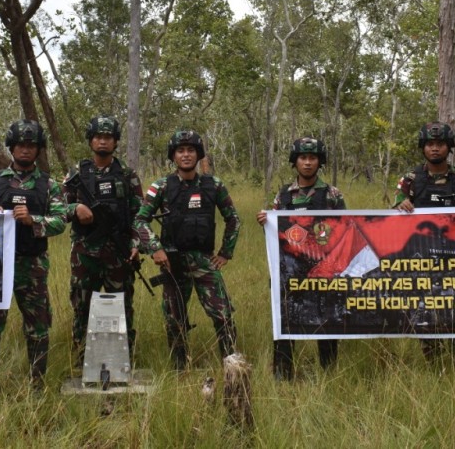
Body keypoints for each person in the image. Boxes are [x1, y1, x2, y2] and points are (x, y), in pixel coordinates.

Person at [134, 129, 240, 370]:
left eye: (191, 150)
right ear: (173, 156)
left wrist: (225, 252)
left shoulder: (214, 184)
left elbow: (233, 218)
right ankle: (180, 368)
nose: (186, 155)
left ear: (198, 154)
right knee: (174, 318)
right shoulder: (160, 186)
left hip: (204, 262)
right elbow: (140, 220)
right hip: (173, 262)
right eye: (180, 151)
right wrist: (155, 249)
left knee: (222, 315)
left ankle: (232, 365)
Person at [0, 119, 66, 392]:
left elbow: (61, 221)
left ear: (39, 150)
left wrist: (33, 220)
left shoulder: (50, 185)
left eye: (31, 146)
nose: (25, 150)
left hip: (33, 266)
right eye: (20, 145)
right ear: (11, 147)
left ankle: (36, 388)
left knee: (38, 328)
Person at [257, 136, 346, 380]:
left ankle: (329, 374)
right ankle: (283, 375)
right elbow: (274, 231)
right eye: (303, 158)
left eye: (313, 158)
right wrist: (265, 222)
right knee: (286, 319)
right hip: (289, 271)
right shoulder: (283, 195)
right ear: (295, 162)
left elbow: (345, 229)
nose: (307, 163)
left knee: (326, 321)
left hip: (323, 270)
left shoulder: (332, 194)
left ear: (320, 162)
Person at [393, 121, 455, 364]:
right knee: (425, 310)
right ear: (423, 147)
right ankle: (434, 361)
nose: (435, 148)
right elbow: (394, 214)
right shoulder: (410, 179)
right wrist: (401, 205)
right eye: (430, 144)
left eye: (440, 144)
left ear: (448, 147)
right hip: (421, 259)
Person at [62, 116, 144, 366]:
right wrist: (76, 208)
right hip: (85, 254)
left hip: (118, 255)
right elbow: (57, 209)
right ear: (91, 141)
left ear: (116, 141)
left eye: (108, 137)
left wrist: (135, 244)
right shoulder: (76, 174)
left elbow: (140, 216)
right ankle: (81, 359)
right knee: (83, 306)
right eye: (98, 136)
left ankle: (124, 358)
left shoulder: (128, 176)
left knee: (121, 306)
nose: (103, 141)